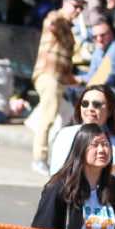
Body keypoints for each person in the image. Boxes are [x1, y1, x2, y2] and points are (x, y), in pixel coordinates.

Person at [31, 122, 115, 229]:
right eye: (95, 145)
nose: (101, 150)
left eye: (105, 144)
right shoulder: (59, 187)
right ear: (81, 148)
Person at [27, 10, 78, 174]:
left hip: (60, 80)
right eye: (75, 6)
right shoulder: (56, 18)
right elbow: (52, 22)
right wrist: (64, 12)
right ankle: (39, 159)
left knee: (65, 115)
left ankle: (58, 158)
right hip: (49, 76)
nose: (78, 11)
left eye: (80, 8)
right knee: (47, 118)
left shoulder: (68, 28)